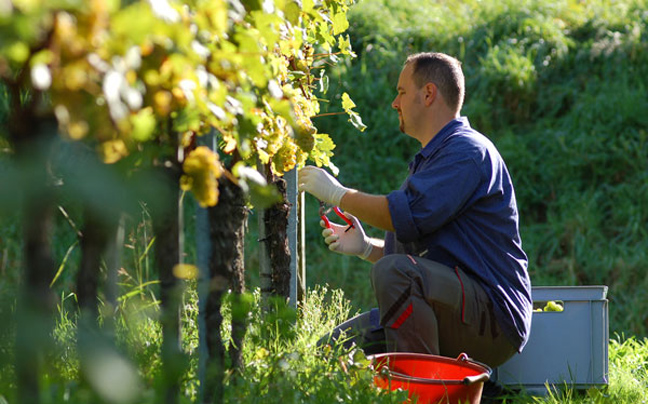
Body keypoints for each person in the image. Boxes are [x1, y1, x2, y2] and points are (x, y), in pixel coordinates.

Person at [297, 52, 532, 368]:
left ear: (429, 93)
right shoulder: (434, 159)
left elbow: (402, 221)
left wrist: (337, 194)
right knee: (325, 356)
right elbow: (428, 260)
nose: (395, 103)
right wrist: (367, 248)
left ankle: (422, 392)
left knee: (395, 273)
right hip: (459, 306)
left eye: (402, 92)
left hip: (493, 319)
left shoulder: (466, 153)